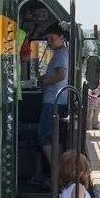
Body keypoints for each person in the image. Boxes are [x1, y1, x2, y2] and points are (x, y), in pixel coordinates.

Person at [37, 23, 69, 167]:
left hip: (53, 101)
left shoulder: (61, 53)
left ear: (62, 37)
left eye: (52, 38)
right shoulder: (61, 53)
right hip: (56, 100)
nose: (49, 41)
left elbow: (61, 75)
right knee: (55, 138)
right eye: (47, 39)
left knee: (44, 137)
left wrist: (45, 80)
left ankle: (56, 172)